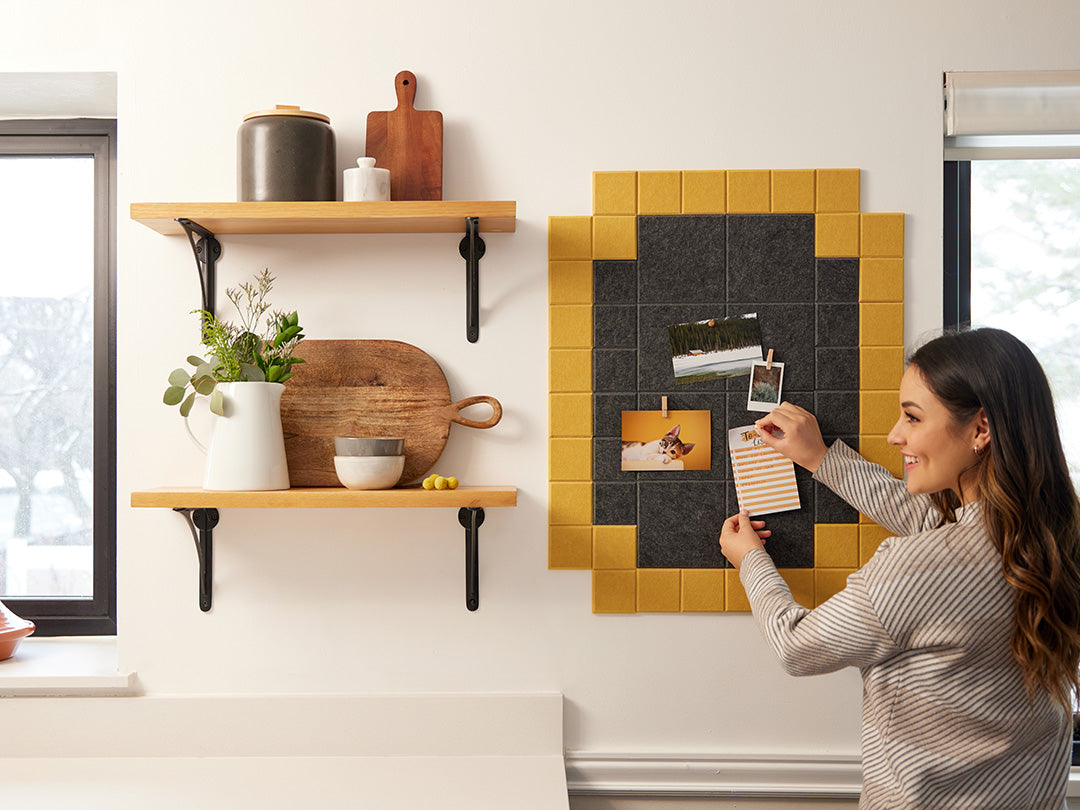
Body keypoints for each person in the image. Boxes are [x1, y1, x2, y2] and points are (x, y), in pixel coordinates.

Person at [719, 328, 1080, 809]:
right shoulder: (1053, 538)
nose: (894, 435)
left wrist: (751, 562)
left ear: (981, 428)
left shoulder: (923, 566)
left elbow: (795, 646)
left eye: (912, 416)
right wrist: (820, 458)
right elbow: (929, 523)